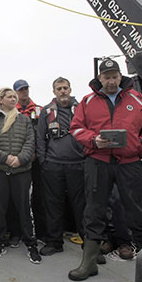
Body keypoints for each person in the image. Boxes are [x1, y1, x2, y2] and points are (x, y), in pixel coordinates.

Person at [68, 58, 142, 281]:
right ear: (100, 78)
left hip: (129, 163)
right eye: (106, 77)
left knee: (137, 210)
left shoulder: (136, 98)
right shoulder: (87, 101)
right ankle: (89, 264)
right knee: (94, 210)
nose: (111, 81)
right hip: (98, 162)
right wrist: (93, 140)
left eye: (114, 76)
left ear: (120, 76)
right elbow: (76, 127)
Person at [0, 88, 40, 263]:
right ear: (1, 100)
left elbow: (31, 141)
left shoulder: (24, 120)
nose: (14, 99)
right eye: (10, 96)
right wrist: (6, 158)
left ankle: (31, 244)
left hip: (21, 171)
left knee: (24, 207)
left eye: (15, 96)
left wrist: (20, 159)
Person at [35, 77, 86, 256]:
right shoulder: (46, 112)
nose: (62, 91)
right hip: (53, 166)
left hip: (78, 165)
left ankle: (89, 246)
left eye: (65, 88)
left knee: (82, 206)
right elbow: (40, 138)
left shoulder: (82, 109)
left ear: (70, 89)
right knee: (52, 205)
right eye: (59, 88)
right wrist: (44, 161)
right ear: (54, 92)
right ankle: (54, 242)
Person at [13, 79, 46, 244]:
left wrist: (38, 155)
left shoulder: (41, 110)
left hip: (38, 160)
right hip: (20, 161)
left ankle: (41, 232)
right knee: (20, 197)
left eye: (26, 89)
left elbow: (43, 135)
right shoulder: (10, 112)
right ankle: (18, 231)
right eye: (21, 90)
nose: (24, 92)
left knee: (40, 197)